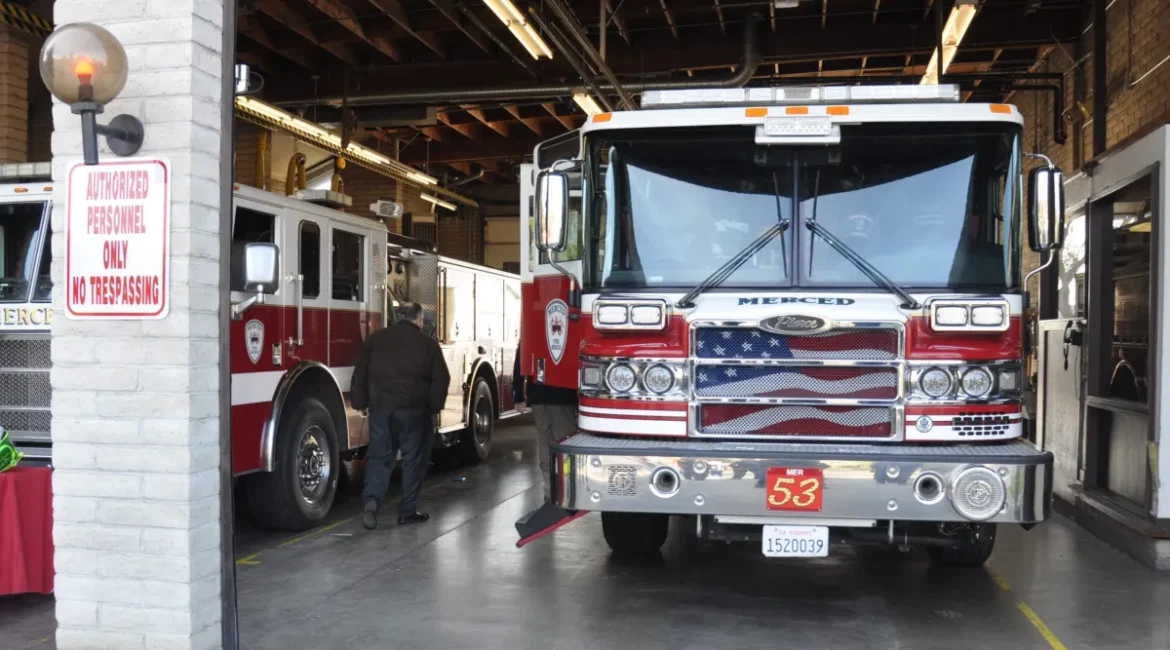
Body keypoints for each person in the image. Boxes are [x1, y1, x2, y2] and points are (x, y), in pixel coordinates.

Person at [352, 301, 450, 529]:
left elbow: (360, 373)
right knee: (413, 461)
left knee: (380, 457)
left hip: (381, 410)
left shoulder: (376, 339)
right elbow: (441, 379)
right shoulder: (428, 344)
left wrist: (361, 402)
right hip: (414, 412)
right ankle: (407, 511)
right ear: (418, 320)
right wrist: (434, 408)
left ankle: (371, 502)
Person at [513, 353, 578, 502]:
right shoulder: (569, 329)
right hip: (562, 396)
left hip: (538, 396)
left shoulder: (534, 330)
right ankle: (567, 489)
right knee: (566, 445)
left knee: (545, 444)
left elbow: (522, 360)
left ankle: (549, 491)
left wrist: (518, 395)